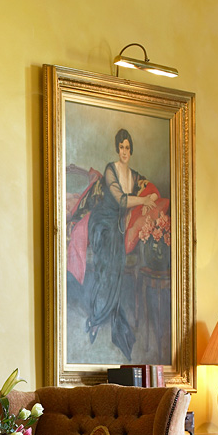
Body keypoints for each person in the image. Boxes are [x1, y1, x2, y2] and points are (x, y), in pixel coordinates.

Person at [77, 128, 159, 360]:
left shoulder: (134, 175)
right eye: (121, 147)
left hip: (117, 224)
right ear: (117, 149)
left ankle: (101, 317)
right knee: (108, 265)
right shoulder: (111, 169)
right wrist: (144, 199)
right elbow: (120, 199)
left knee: (118, 263)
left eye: (127, 147)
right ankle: (95, 318)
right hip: (103, 221)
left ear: (131, 150)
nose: (124, 151)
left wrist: (149, 197)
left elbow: (150, 189)